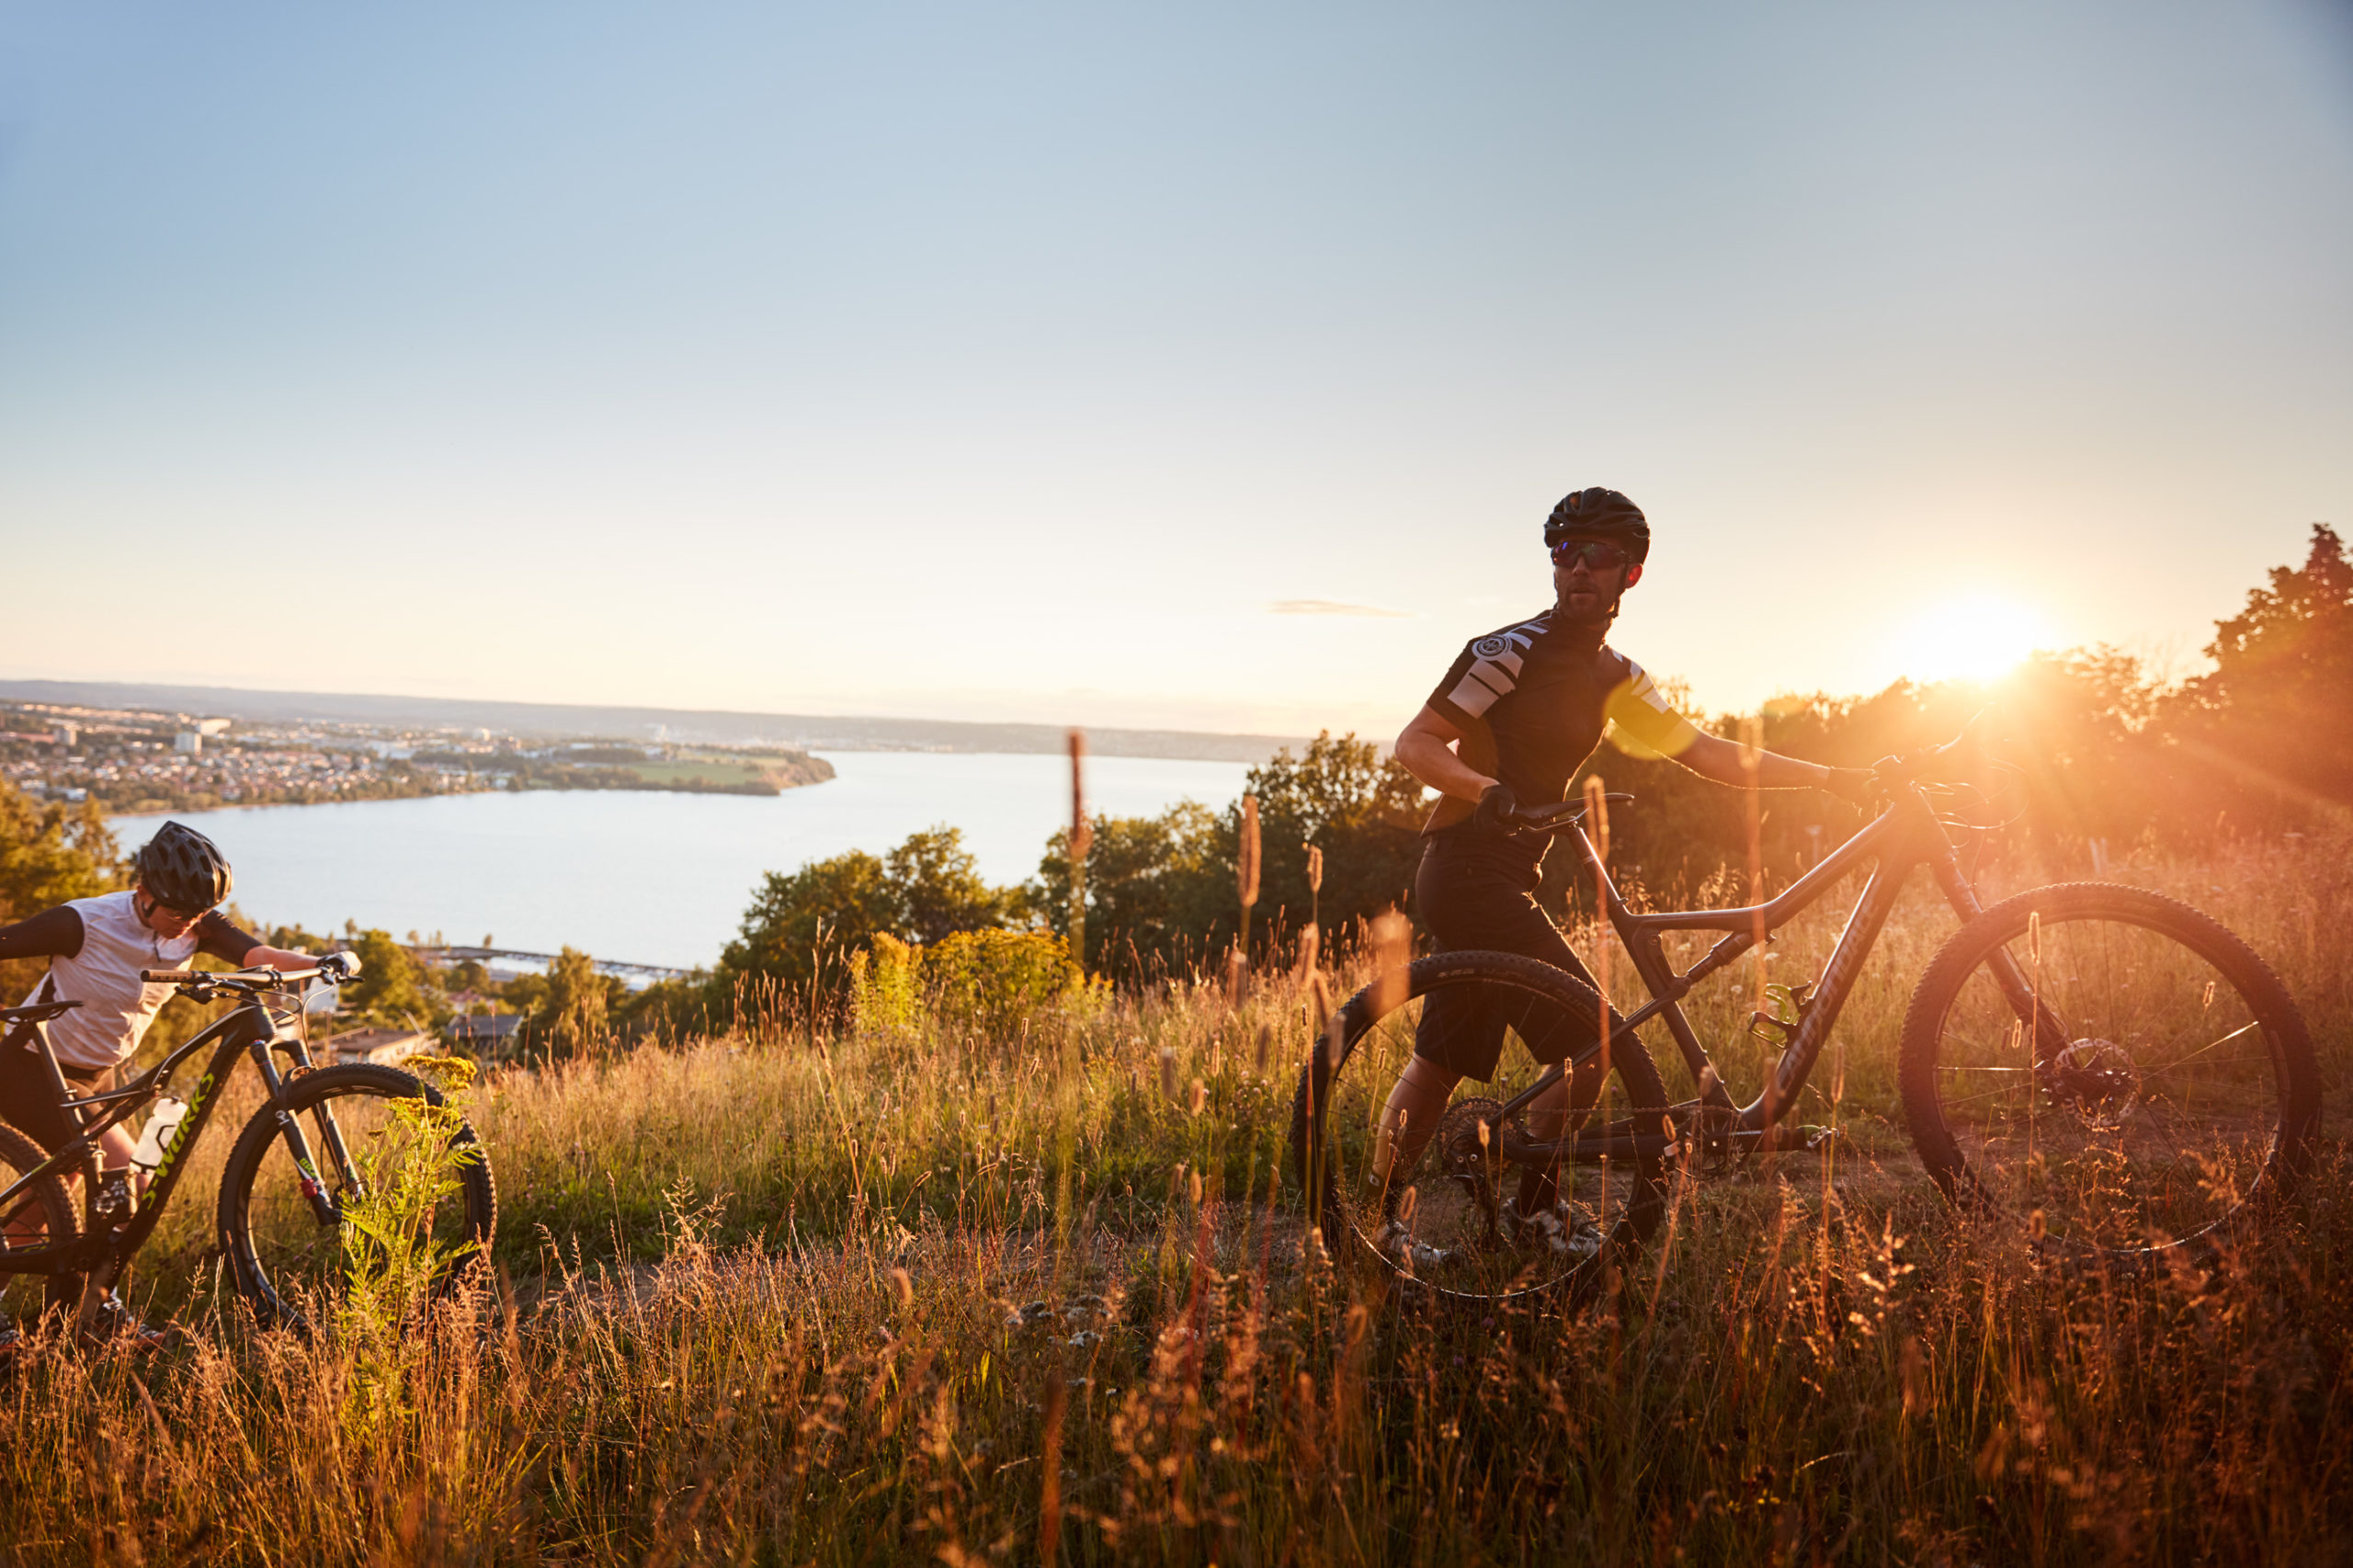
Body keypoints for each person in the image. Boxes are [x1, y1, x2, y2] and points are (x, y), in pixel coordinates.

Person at [1375, 487, 1877, 1247]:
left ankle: (1378, 1226)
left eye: (1598, 555)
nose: (1578, 567)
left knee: (1441, 1063)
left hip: (1506, 878)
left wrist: (1831, 778)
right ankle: (1529, 1213)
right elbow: (1415, 744)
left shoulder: (1616, 677)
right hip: (1467, 867)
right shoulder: (1507, 651)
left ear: (1630, 575)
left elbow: (1710, 755)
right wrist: (1489, 792)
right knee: (1594, 1045)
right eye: (1564, 553)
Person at [0, 820, 315, 1345]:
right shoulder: (83, 921)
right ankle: (70, 1312)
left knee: (129, 1184)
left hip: (88, 1081)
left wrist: (323, 963)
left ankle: (89, 1312)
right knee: (88, 1170)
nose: (186, 924)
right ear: (143, 890)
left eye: (196, 914)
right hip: (28, 1065)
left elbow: (257, 957)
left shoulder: (194, 924)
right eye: (176, 911)